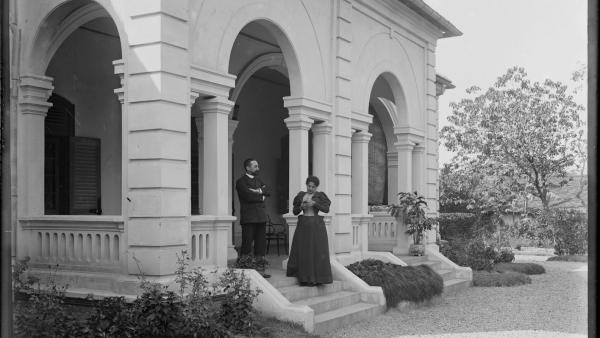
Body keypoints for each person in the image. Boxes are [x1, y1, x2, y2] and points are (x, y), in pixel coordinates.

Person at [286, 176, 333, 286]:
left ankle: (315, 278)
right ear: (306, 185)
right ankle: (304, 277)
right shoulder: (301, 195)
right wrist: (301, 206)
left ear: (316, 187)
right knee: (303, 251)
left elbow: (326, 209)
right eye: (309, 186)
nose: (310, 188)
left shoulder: (320, 196)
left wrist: (314, 203)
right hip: (303, 225)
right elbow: (295, 212)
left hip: (316, 226)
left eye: (313, 186)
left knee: (315, 251)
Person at [235, 158, 271, 278]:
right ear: (248, 167)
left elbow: (268, 190)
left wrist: (259, 190)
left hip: (261, 216)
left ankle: (260, 270)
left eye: (257, 166)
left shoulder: (259, 180)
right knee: (247, 243)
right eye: (255, 166)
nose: (258, 168)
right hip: (248, 217)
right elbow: (247, 196)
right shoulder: (241, 182)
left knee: (261, 244)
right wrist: (261, 196)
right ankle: (246, 271)